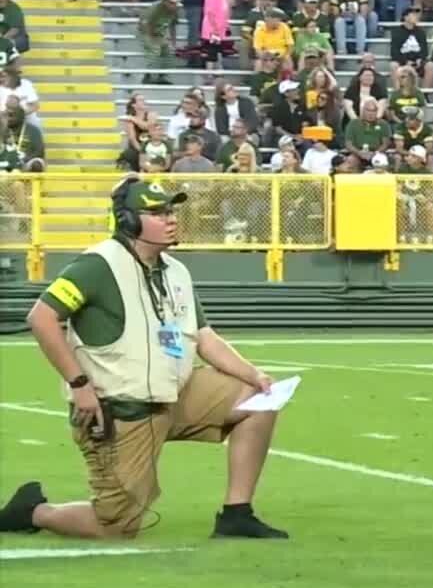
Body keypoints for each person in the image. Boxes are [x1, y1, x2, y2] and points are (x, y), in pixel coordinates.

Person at [0, 177, 287, 540]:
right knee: (116, 526)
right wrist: (79, 384)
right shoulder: (99, 265)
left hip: (172, 395)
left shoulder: (176, 271)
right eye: (156, 212)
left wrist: (254, 374)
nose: (170, 219)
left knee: (261, 399)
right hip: (120, 411)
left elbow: (204, 337)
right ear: (128, 220)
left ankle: (236, 513)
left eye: (170, 211)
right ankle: (34, 511)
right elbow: (41, 318)